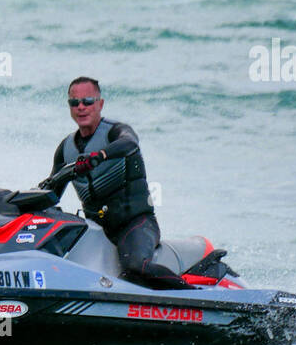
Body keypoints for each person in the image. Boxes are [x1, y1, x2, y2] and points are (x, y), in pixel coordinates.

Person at [39, 76, 190, 289]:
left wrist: (99, 156)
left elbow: (130, 143)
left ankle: (196, 298)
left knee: (136, 267)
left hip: (135, 223)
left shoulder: (116, 133)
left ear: (100, 104)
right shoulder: (66, 149)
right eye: (75, 103)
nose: (81, 107)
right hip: (97, 229)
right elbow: (51, 192)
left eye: (88, 101)